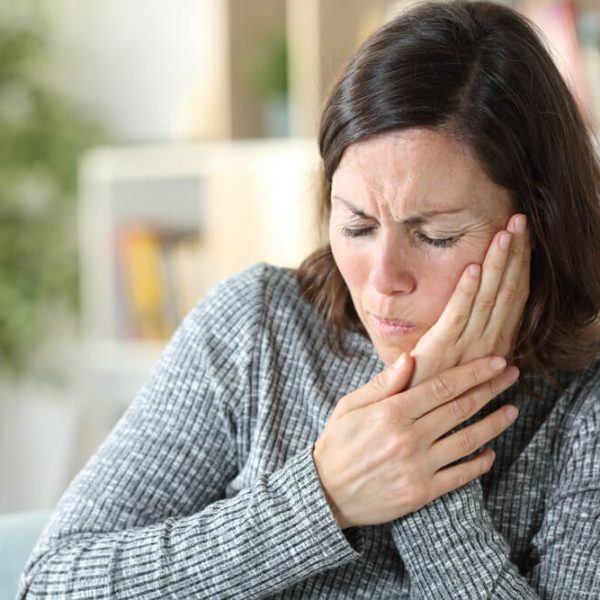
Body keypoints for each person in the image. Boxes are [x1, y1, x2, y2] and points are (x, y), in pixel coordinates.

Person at [19, 0, 600, 597]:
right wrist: (321, 497)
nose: (383, 276)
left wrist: (420, 464)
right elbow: (53, 584)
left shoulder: (586, 404)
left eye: (435, 236)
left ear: (540, 225)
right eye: (356, 225)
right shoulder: (256, 327)